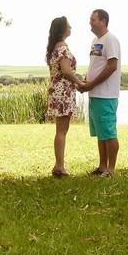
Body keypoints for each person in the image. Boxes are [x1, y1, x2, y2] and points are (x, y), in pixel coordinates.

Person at [79, 8, 121, 177]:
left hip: (106, 94)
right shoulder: (95, 40)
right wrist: (86, 79)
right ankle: (102, 166)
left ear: (103, 21)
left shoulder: (111, 39)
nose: (90, 22)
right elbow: (96, 65)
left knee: (109, 132)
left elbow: (112, 66)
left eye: (93, 20)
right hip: (94, 94)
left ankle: (111, 168)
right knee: (101, 133)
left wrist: (93, 83)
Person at [45, 16, 84, 178]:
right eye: (69, 26)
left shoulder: (54, 47)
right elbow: (66, 72)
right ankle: (59, 167)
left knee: (59, 130)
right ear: (63, 29)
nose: (71, 28)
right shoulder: (63, 49)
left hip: (56, 91)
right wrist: (80, 83)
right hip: (63, 92)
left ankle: (58, 165)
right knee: (62, 131)